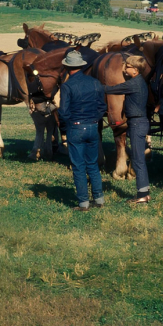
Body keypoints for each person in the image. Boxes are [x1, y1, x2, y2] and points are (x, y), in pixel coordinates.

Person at [57, 50, 107, 211]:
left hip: (76, 127)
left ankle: (83, 203)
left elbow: (63, 112)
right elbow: (102, 107)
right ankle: (99, 199)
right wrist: (94, 119)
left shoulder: (67, 86)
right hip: (93, 126)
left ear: (66, 67)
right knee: (92, 164)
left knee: (78, 166)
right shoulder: (95, 82)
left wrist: (67, 126)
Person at [104, 55, 152, 204]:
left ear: (135, 70)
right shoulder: (140, 81)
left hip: (137, 124)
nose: (125, 69)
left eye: (128, 67)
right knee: (138, 158)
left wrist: (94, 86)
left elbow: (111, 89)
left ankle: (142, 195)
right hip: (139, 122)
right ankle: (144, 193)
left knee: (138, 160)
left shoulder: (133, 84)